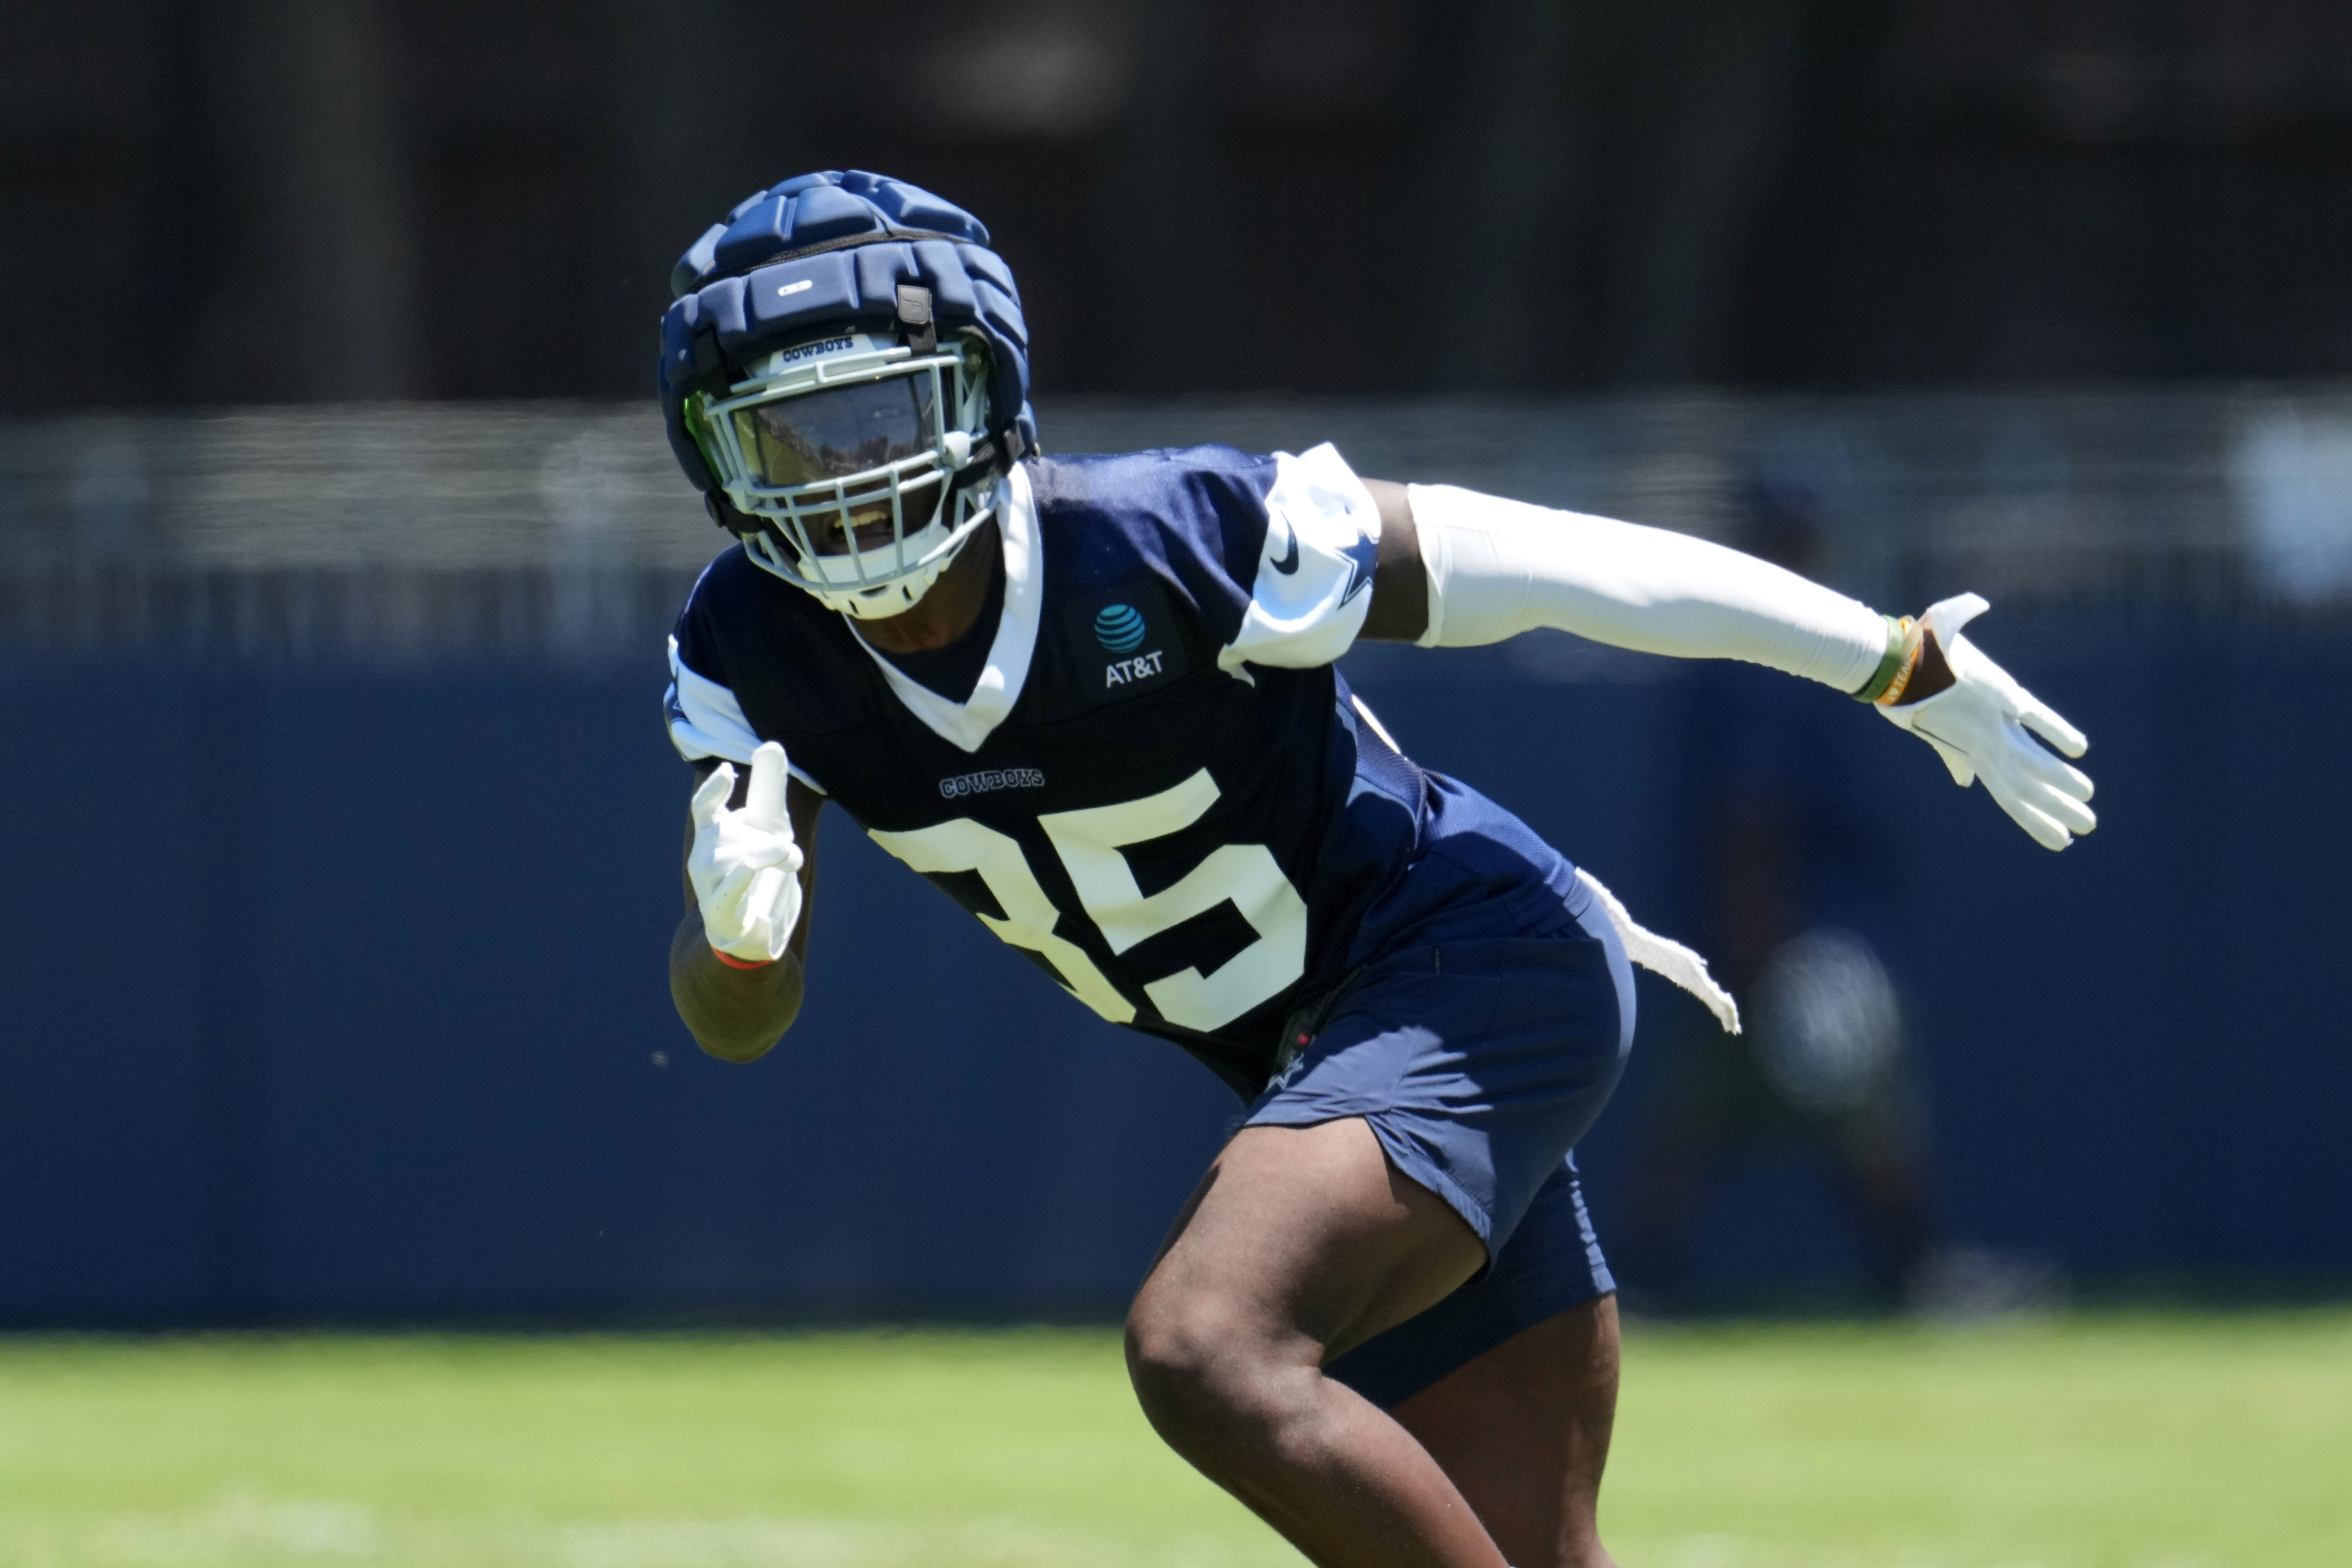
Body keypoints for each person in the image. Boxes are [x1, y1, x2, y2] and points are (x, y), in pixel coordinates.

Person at [655, 171, 2095, 1568]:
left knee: (1206, 1342)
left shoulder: (1175, 538)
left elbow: (1552, 564)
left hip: (1471, 966)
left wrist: (1890, 658)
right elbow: (737, 1019)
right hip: (1322, 1060)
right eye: (796, 441)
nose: (851, 479)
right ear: (721, 460)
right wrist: (735, 943)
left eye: (881, 415)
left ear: (983, 390)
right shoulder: (750, 650)